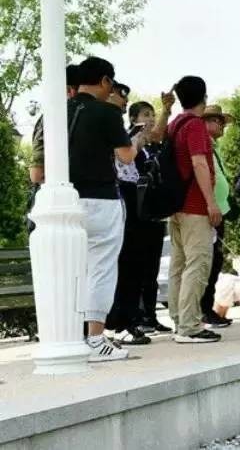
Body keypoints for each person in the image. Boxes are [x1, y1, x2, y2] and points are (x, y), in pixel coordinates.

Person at [68, 57, 140, 361]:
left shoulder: (58, 112)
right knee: (101, 268)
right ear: (106, 81)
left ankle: (68, 336)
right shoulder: (107, 113)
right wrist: (135, 140)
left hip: (63, 200)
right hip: (101, 200)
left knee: (70, 271)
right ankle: (96, 338)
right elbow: (125, 157)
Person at [106, 92, 176, 343]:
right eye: (145, 115)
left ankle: (138, 317)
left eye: (152, 114)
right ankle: (123, 320)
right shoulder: (123, 135)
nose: (150, 119)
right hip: (123, 198)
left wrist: (166, 110)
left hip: (142, 204)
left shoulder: (148, 142)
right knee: (128, 264)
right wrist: (138, 137)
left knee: (144, 265)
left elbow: (156, 135)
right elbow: (126, 157)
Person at [167, 76, 222, 344]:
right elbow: (199, 164)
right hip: (195, 205)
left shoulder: (174, 124)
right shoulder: (196, 126)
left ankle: (179, 318)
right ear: (204, 97)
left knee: (178, 264)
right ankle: (189, 326)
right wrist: (211, 203)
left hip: (175, 206)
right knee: (198, 262)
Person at [199, 105, 235, 329]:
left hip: (220, 209)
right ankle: (203, 310)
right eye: (217, 121)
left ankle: (208, 308)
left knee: (216, 262)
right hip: (209, 211)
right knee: (208, 263)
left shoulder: (214, 147)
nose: (221, 126)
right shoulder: (202, 146)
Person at [29, 64, 81, 186]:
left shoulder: (51, 116)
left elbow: (36, 174)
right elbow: (36, 174)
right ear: (70, 90)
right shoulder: (52, 117)